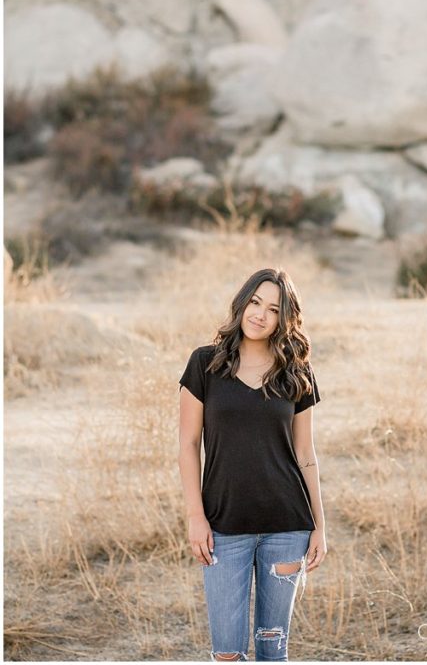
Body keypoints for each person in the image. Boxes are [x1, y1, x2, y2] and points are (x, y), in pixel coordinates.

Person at [178, 268, 327, 661]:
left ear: (285, 319)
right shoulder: (205, 364)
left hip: (287, 525)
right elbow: (188, 444)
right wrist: (196, 516)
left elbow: (306, 456)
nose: (260, 315)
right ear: (243, 302)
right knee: (227, 652)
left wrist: (319, 527)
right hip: (223, 527)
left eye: (273, 309)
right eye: (256, 302)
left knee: (272, 650)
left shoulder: (297, 373)